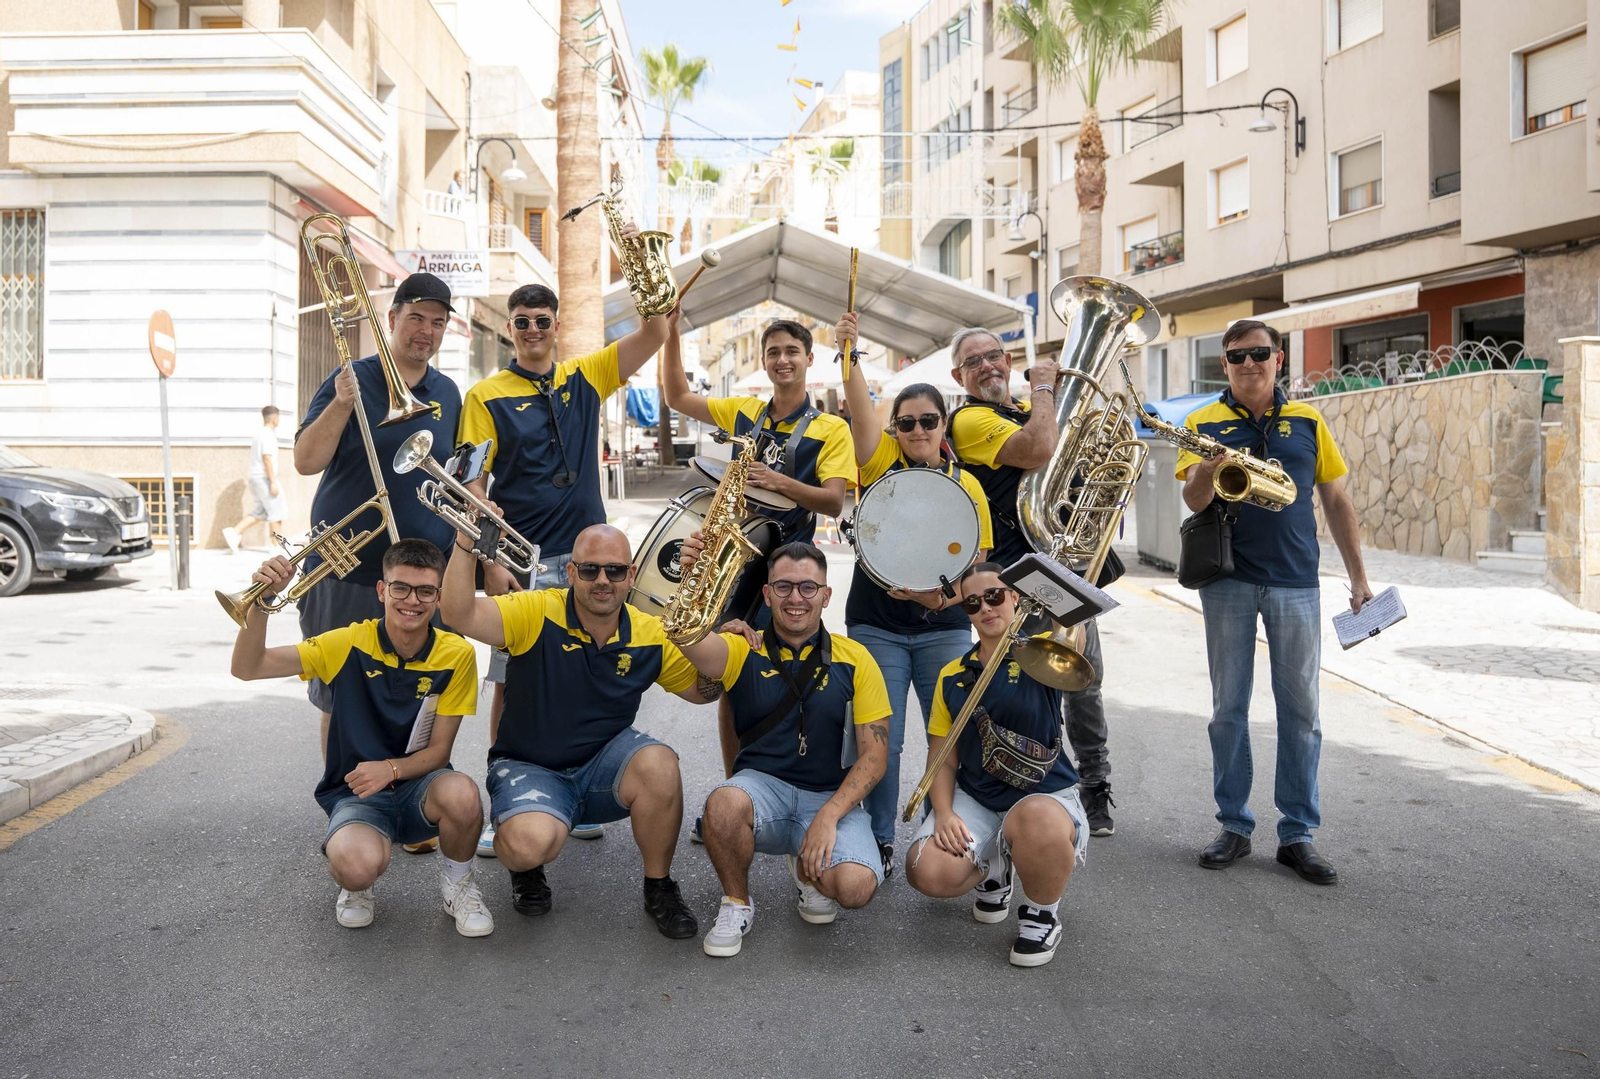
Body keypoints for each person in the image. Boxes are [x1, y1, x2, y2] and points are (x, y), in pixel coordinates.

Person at [458, 275, 672, 853]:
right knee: (510, 685)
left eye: (542, 321)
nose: (532, 331)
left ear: (556, 326)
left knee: (591, 681)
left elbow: (655, 330)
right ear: (509, 328)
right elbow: (474, 489)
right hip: (521, 562)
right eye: (521, 322)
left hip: (590, 564)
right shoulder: (485, 395)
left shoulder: (587, 374)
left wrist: (648, 273)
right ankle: (507, 803)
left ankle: (575, 795)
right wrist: (488, 562)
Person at [439, 519, 715, 939]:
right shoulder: (536, 610)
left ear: (631, 576)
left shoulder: (649, 632)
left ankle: (658, 887)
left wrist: (718, 639)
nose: (602, 581)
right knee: (526, 844)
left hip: (605, 768)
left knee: (660, 763)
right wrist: (465, 543)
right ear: (571, 573)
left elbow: (702, 691)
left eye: (615, 570)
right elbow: (458, 613)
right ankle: (528, 865)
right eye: (589, 570)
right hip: (531, 765)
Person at [1177, 319, 1372, 886]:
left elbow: (1336, 500)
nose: (1249, 363)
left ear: (1279, 359)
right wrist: (1210, 471)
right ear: (1225, 363)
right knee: (1227, 711)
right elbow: (1192, 501)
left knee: (1303, 713)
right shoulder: (1201, 422)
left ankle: (1298, 835)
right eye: (1237, 356)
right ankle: (1234, 826)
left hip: (1295, 581)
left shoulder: (1309, 420)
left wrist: (1359, 579)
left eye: (1259, 353)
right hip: (1228, 580)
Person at [228, 539, 493, 936]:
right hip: (358, 794)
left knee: (463, 793)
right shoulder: (347, 642)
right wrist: (263, 603)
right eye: (400, 587)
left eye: (425, 591)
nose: (412, 600)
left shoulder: (457, 654)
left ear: (439, 598)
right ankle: (357, 885)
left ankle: (458, 885)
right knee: (356, 867)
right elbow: (249, 667)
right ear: (382, 590)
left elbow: (439, 752)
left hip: (418, 786)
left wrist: (390, 769)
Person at [661, 314, 855, 842]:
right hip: (733, 565)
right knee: (732, 683)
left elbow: (835, 501)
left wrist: (780, 482)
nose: (782, 360)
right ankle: (735, 796)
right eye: (773, 352)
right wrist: (674, 329)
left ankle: (791, 793)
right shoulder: (745, 410)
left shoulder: (829, 427)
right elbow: (677, 394)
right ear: (763, 360)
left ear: (809, 359)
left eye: (792, 351)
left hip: (789, 567)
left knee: (790, 682)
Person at [668, 537, 891, 958]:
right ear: (767, 595)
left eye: (808, 588)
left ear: (826, 596)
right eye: (783, 586)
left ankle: (810, 873)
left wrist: (828, 816)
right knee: (723, 804)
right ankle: (737, 902)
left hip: (829, 796)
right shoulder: (740, 647)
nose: (796, 598)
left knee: (856, 888)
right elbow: (683, 633)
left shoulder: (855, 658)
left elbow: (875, 756)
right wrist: (692, 576)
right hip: (763, 789)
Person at [834, 312, 990, 878]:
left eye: (928, 420)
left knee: (945, 737)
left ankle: (934, 830)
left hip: (944, 627)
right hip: (876, 623)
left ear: (944, 425)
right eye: (907, 422)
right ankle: (876, 838)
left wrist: (942, 603)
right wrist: (850, 353)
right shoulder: (877, 465)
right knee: (882, 741)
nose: (918, 430)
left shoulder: (966, 485)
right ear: (895, 428)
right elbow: (858, 409)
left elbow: (977, 571)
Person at [944, 329, 1117, 838]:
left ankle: (1094, 784)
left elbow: (1076, 462)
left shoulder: (1024, 406)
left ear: (1008, 358)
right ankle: (1035, 785)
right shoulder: (970, 418)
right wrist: (1046, 389)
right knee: (1030, 688)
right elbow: (1041, 448)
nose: (988, 367)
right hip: (1015, 579)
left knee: (1084, 679)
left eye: (994, 356)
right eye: (973, 362)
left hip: (1062, 566)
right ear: (960, 377)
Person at [292, 272, 463, 725]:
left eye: (438, 322)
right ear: (392, 317)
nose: (426, 330)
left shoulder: (447, 392)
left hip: (420, 583)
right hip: (347, 573)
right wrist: (341, 404)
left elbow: (452, 479)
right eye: (417, 317)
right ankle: (343, 798)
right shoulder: (351, 378)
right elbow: (306, 461)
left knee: (416, 707)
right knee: (341, 702)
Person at [904, 563, 1090, 968]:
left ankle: (1042, 914)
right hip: (980, 800)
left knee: (1035, 816)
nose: (985, 607)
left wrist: (1054, 573)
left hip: (1043, 797)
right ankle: (994, 866)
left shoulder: (1043, 651)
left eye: (995, 596)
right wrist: (946, 812)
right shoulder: (952, 674)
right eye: (973, 602)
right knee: (926, 870)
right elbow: (942, 756)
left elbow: (1075, 629)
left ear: (1015, 598)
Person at [224, 405, 286, 554]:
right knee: (277, 511)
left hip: (256, 477)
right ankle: (276, 547)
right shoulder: (268, 434)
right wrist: (273, 482)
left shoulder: (259, 434)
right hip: (264, 478)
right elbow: (267, 459)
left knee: (261, 512)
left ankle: (234, 532)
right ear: (276, 418)